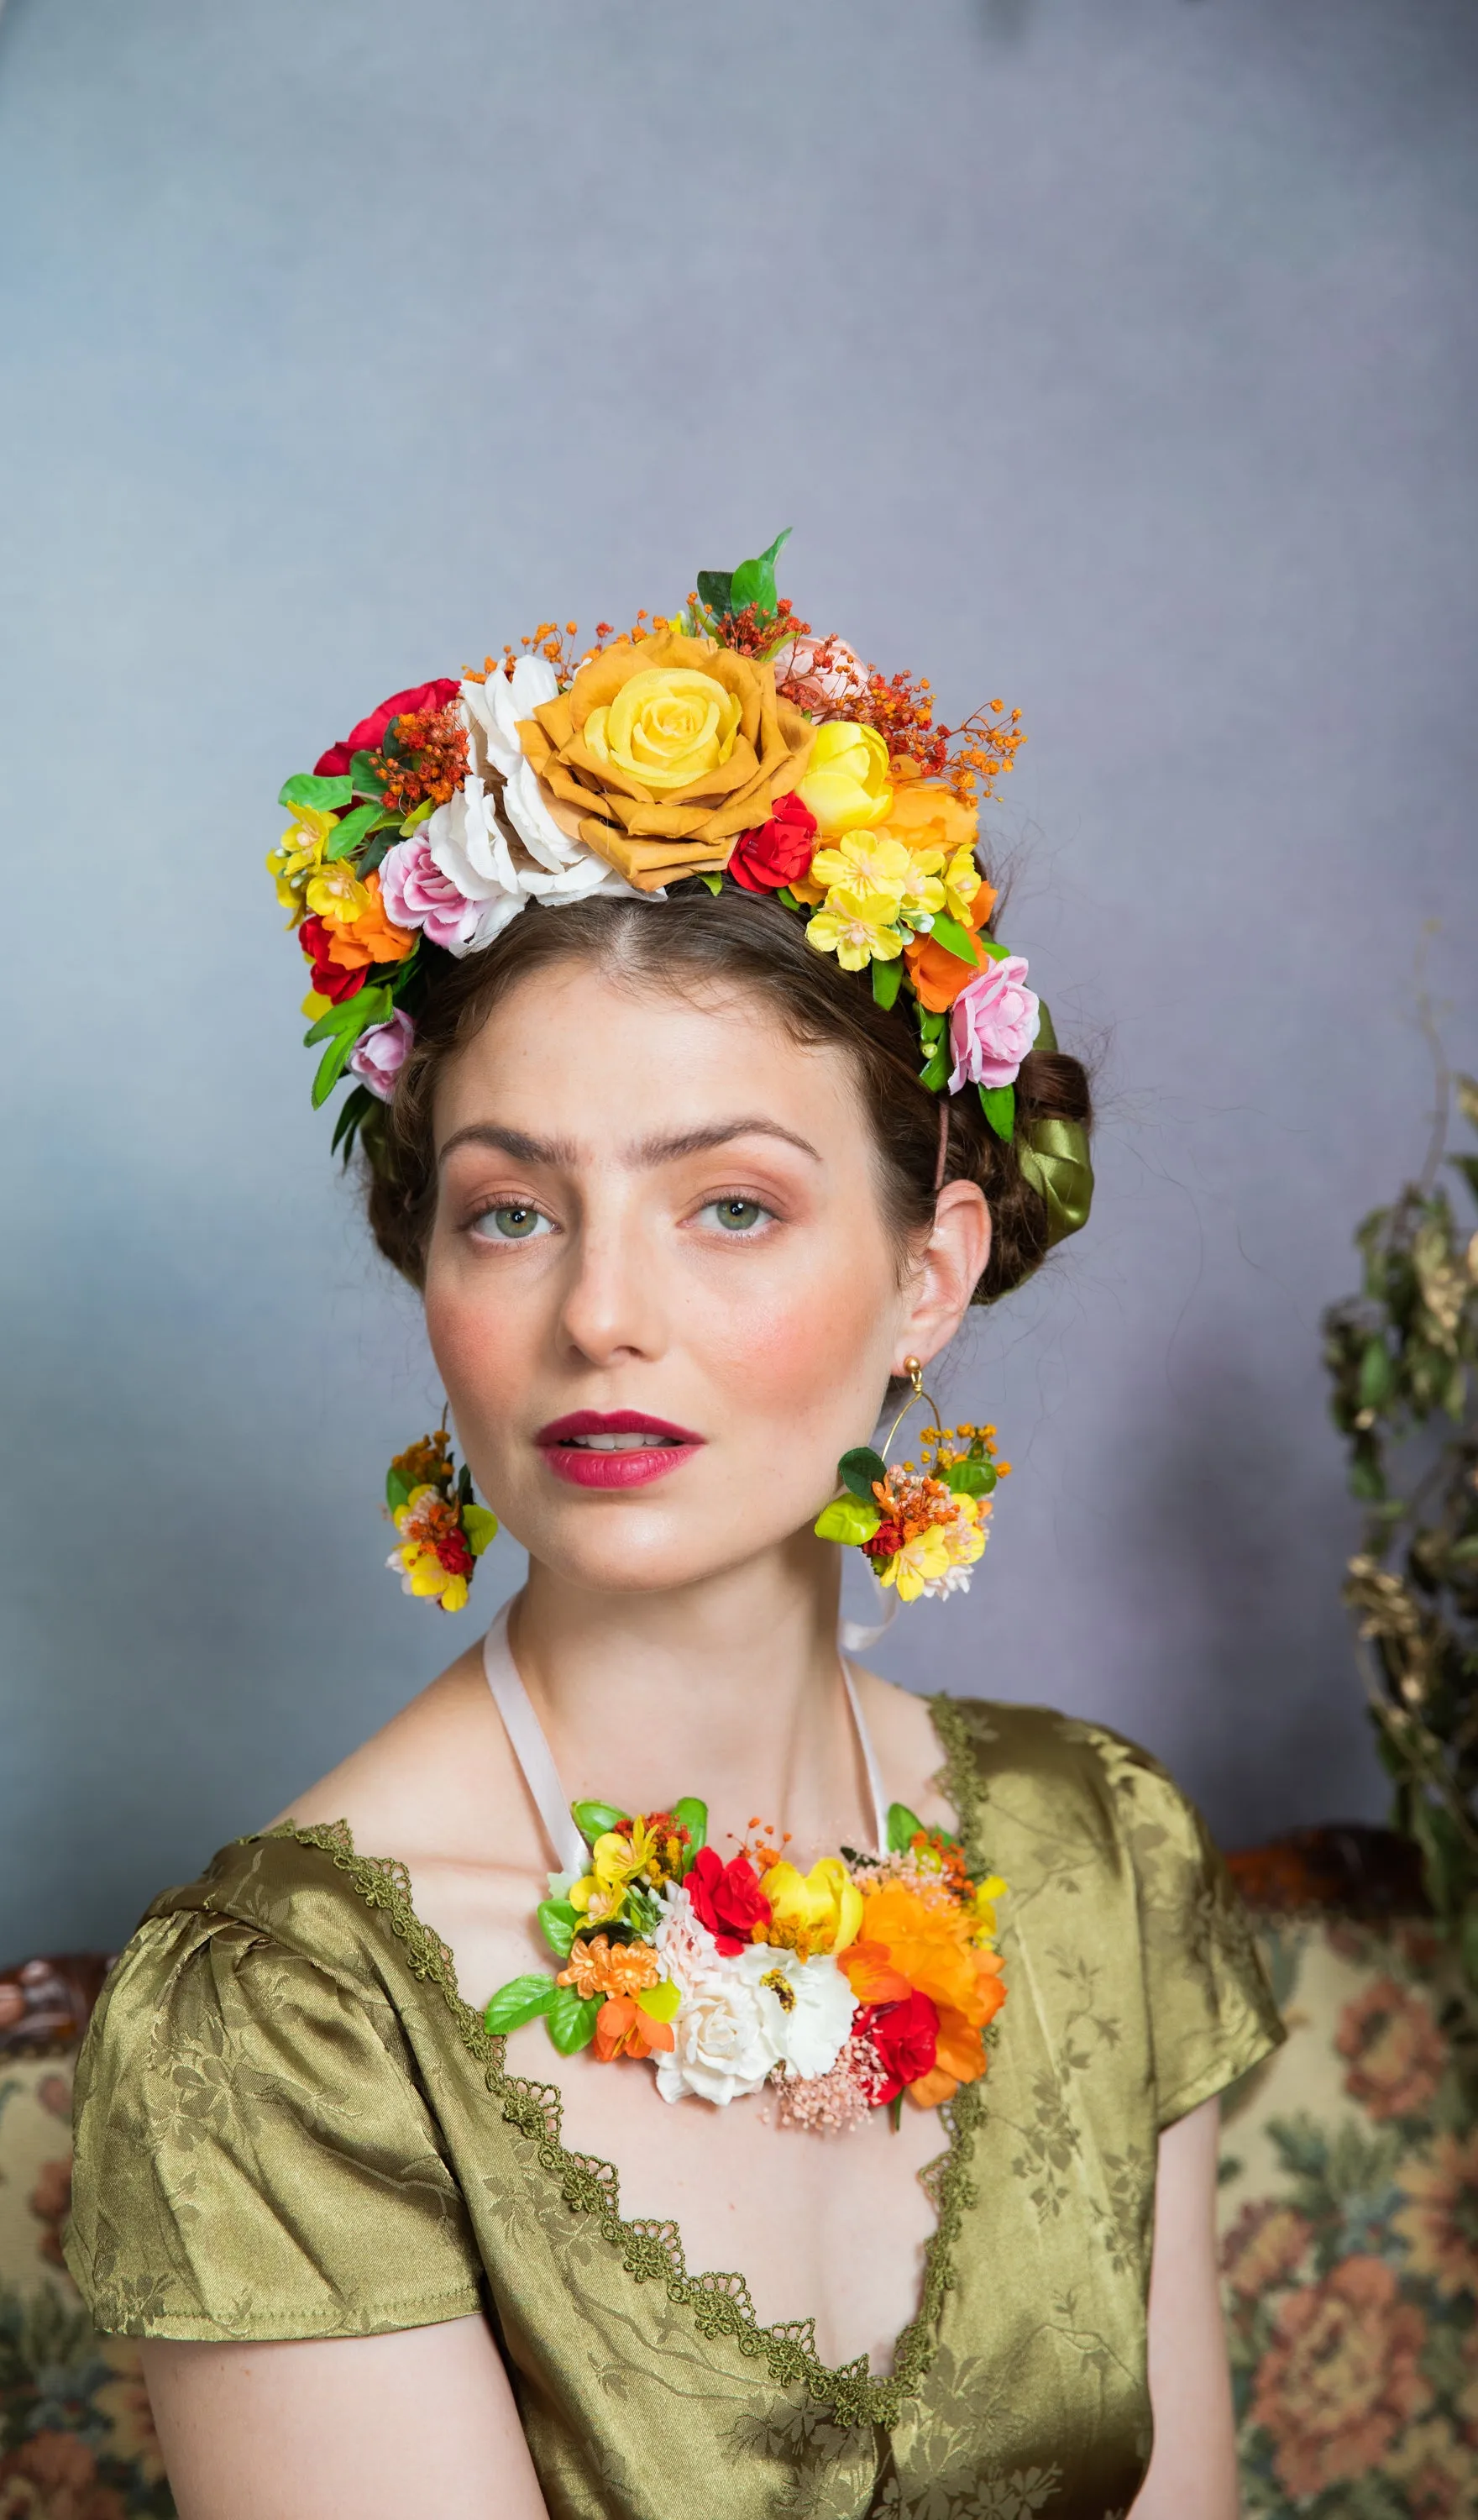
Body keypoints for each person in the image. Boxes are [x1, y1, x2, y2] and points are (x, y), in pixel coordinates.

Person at [66, 546, 1281, 2520]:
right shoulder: (283, 2014)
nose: (600, 1313)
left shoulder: (1097, 1863)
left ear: (926, 1273)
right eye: (512, 1209)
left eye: (729, 1205)